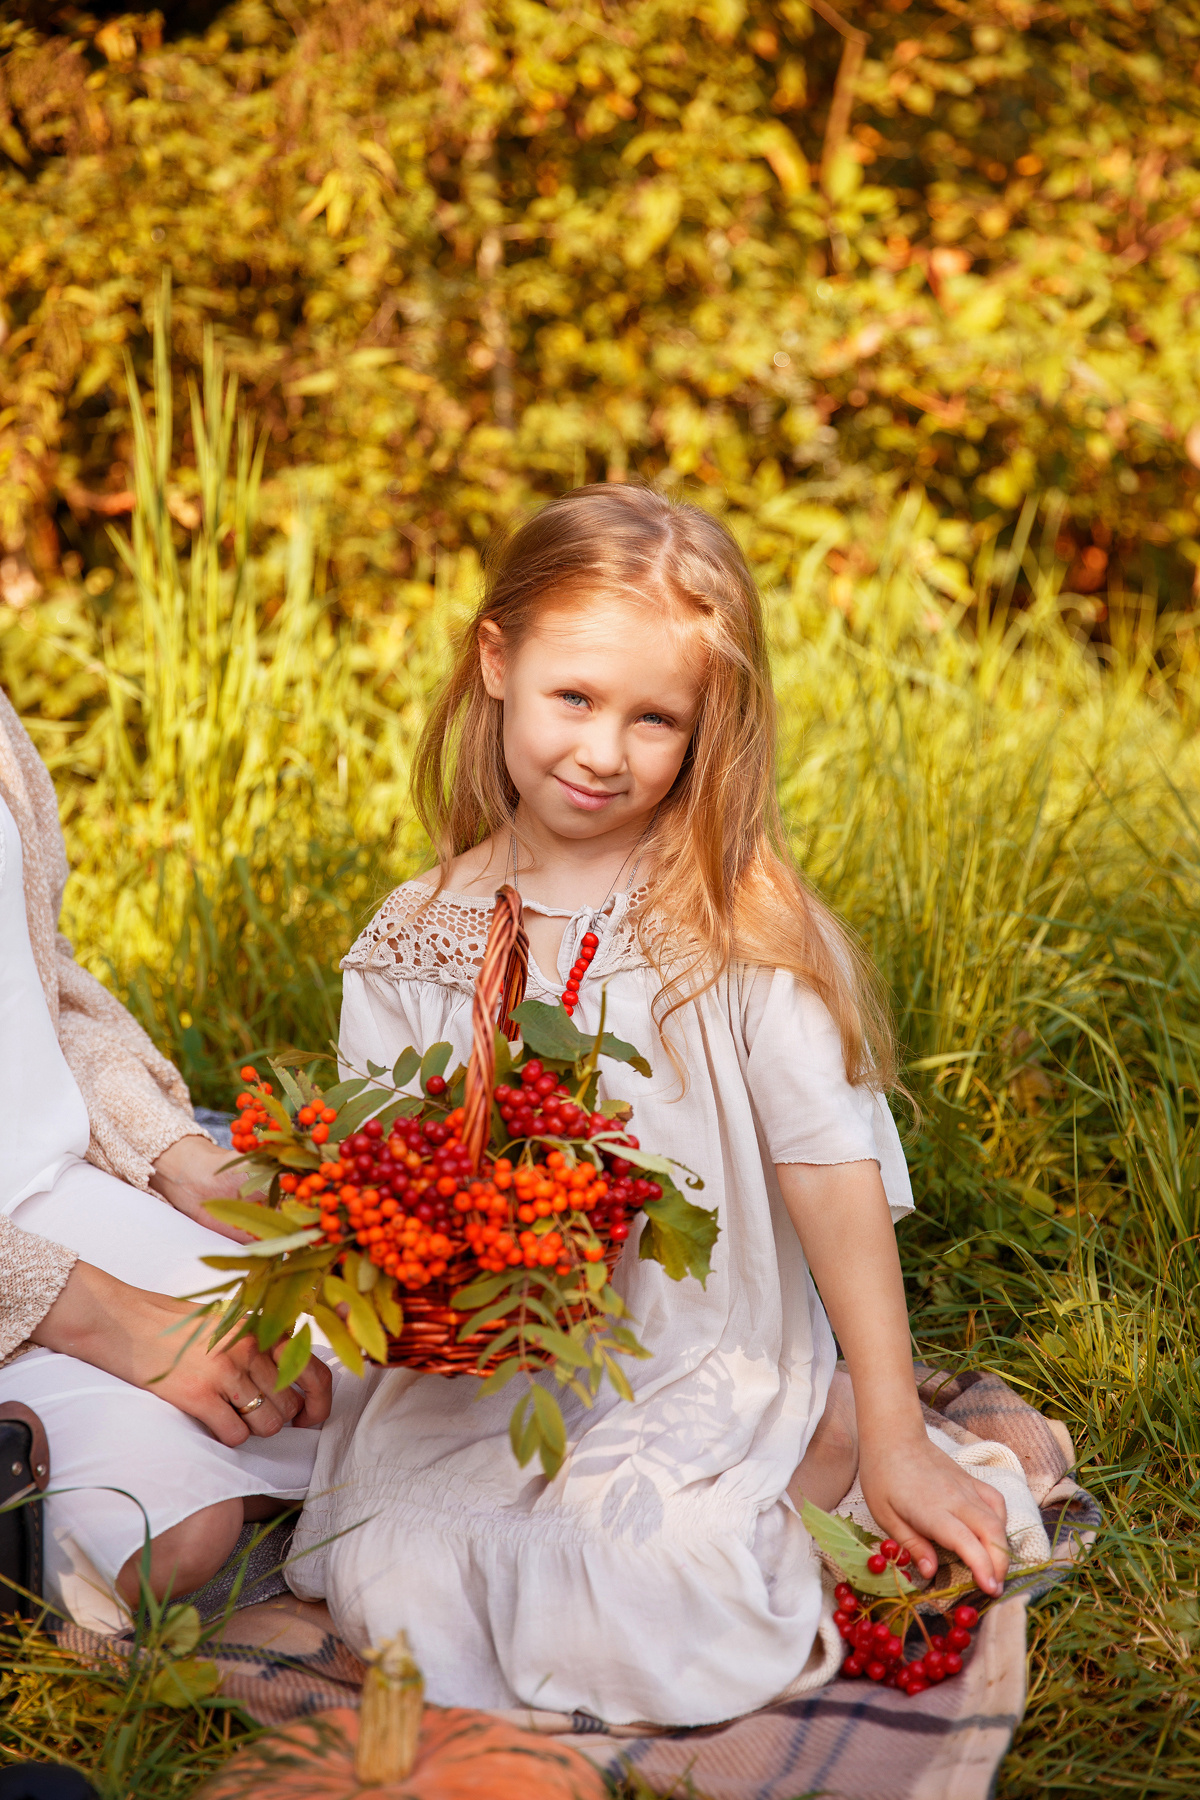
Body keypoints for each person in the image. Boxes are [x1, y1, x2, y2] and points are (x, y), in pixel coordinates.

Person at [288, 484, 1012, 1726]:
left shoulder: (735, 927)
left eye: (654, 717)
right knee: (382, 1568)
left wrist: (898, 1428)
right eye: (575, 696)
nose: (605, 751)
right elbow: (375, 1176)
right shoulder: (416, 933)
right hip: (489, 1361)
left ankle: (828, 1442)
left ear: (705, 724)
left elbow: (828, 1171)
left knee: (639, 1582)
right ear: (498, 660)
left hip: (691, 1349)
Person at [0, 689, 332, 1632]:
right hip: (24, 1269)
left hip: (46, 1193)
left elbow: (38, 976)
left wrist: (182, 1159)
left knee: (374, 1378)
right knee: (177, 1530)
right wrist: (112, 1321)